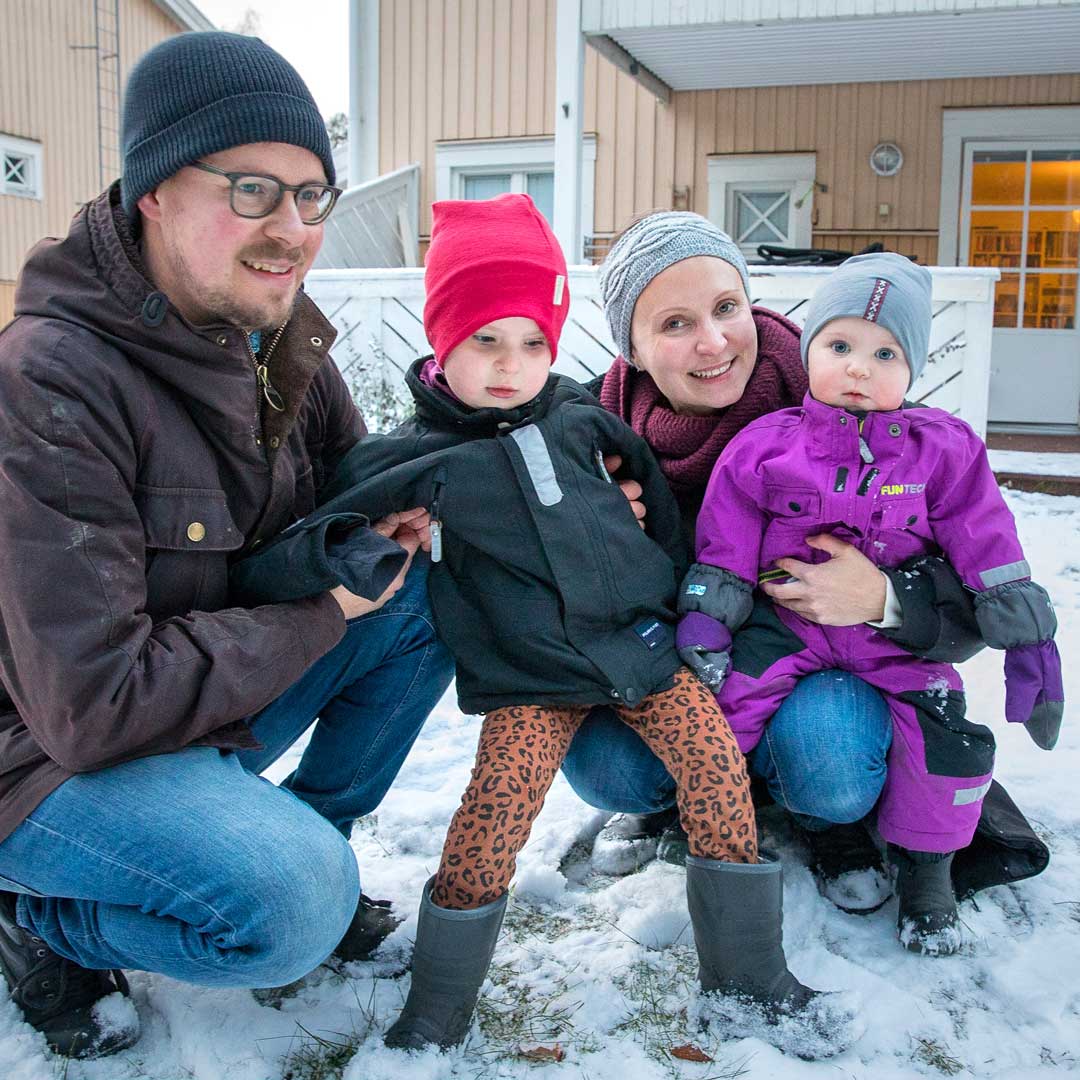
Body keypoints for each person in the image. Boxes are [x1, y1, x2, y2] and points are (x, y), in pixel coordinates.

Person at [232, 193, 862, 1059]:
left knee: (717, 777)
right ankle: (438, 1005)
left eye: (532, 341)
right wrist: (355, 555)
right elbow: (299, 544)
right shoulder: (413, 457)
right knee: (491, 818)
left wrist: (675, 591)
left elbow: (676, 522)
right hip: (529, 678)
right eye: (484, 339)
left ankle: (747, 979)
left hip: (643, 656)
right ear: (442, 338)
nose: (509, 366)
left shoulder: (583, 420)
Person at [0, 32, 452, 1060]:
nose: (291, 228)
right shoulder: (52, 380)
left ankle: (271, 844)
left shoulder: (276, 334)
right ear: (155, 188)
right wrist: (322, 609)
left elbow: (352, 488)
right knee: (285, 908)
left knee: (428, 593)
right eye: (252, 189)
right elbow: (91, 703)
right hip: (43, 754)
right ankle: (40, 915)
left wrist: (492, 470)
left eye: (311, 195)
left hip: (190, 691)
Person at [558, 212, 1050, 913]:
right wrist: (596, 531)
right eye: (674, 324)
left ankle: (825, 820)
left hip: (834, 660)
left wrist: (885, 596)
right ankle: (693, 799)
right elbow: (458, 425)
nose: (713, 340)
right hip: (683, 662)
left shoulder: (850, 386)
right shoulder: (592, 434)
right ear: (629, 348)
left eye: (727, 307)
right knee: (606, 766)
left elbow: (978, 564)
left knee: (833, 765)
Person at [676, 253, 1063, 955]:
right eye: (840, 345)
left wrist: (1029, 637)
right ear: (809, 349)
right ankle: (720, 838)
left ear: (912, 368)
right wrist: (708, 620)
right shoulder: (765, 446)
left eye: (885, 353)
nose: (859, 367)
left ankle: (929, 875)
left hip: (892, 640)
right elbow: (725, 544)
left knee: (947, 737)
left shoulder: (943, 452)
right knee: (721, 711)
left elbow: (987, 542)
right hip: (786, 626)